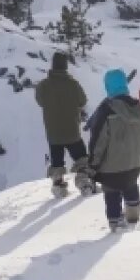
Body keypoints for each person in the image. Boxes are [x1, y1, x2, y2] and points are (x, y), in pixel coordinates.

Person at [87, 68, 140, 230]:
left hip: (112, 170)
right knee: (130, 183)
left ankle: (115, 222)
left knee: (112, 189)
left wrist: (92, 165)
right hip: (136, 165)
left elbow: (98, 141)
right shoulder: (138, 107)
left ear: (108, 86)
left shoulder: (106, 109)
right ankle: (134, 215)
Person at [36, 52, 96, 196]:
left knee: (57, 160)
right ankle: (83, 181)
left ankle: (59, 186)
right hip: (71, 130)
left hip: (53, 132)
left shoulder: (43, 85)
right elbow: (83, 101)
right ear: (65, 66)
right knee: (81, 157)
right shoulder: (73, 84)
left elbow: (40, 101)